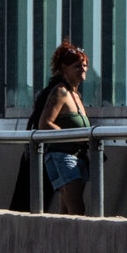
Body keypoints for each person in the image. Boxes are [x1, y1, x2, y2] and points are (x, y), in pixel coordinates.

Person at [33, 40, 92, 215]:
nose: (82, 69)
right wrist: (75, 137)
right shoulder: (61, 92)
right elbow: (45, 124)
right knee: (76, 209)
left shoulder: (75, 94)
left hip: (77, 156)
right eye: (77, 66)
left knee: (68, 210)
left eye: (84, 65)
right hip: (63, 156)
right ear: (64, 68)